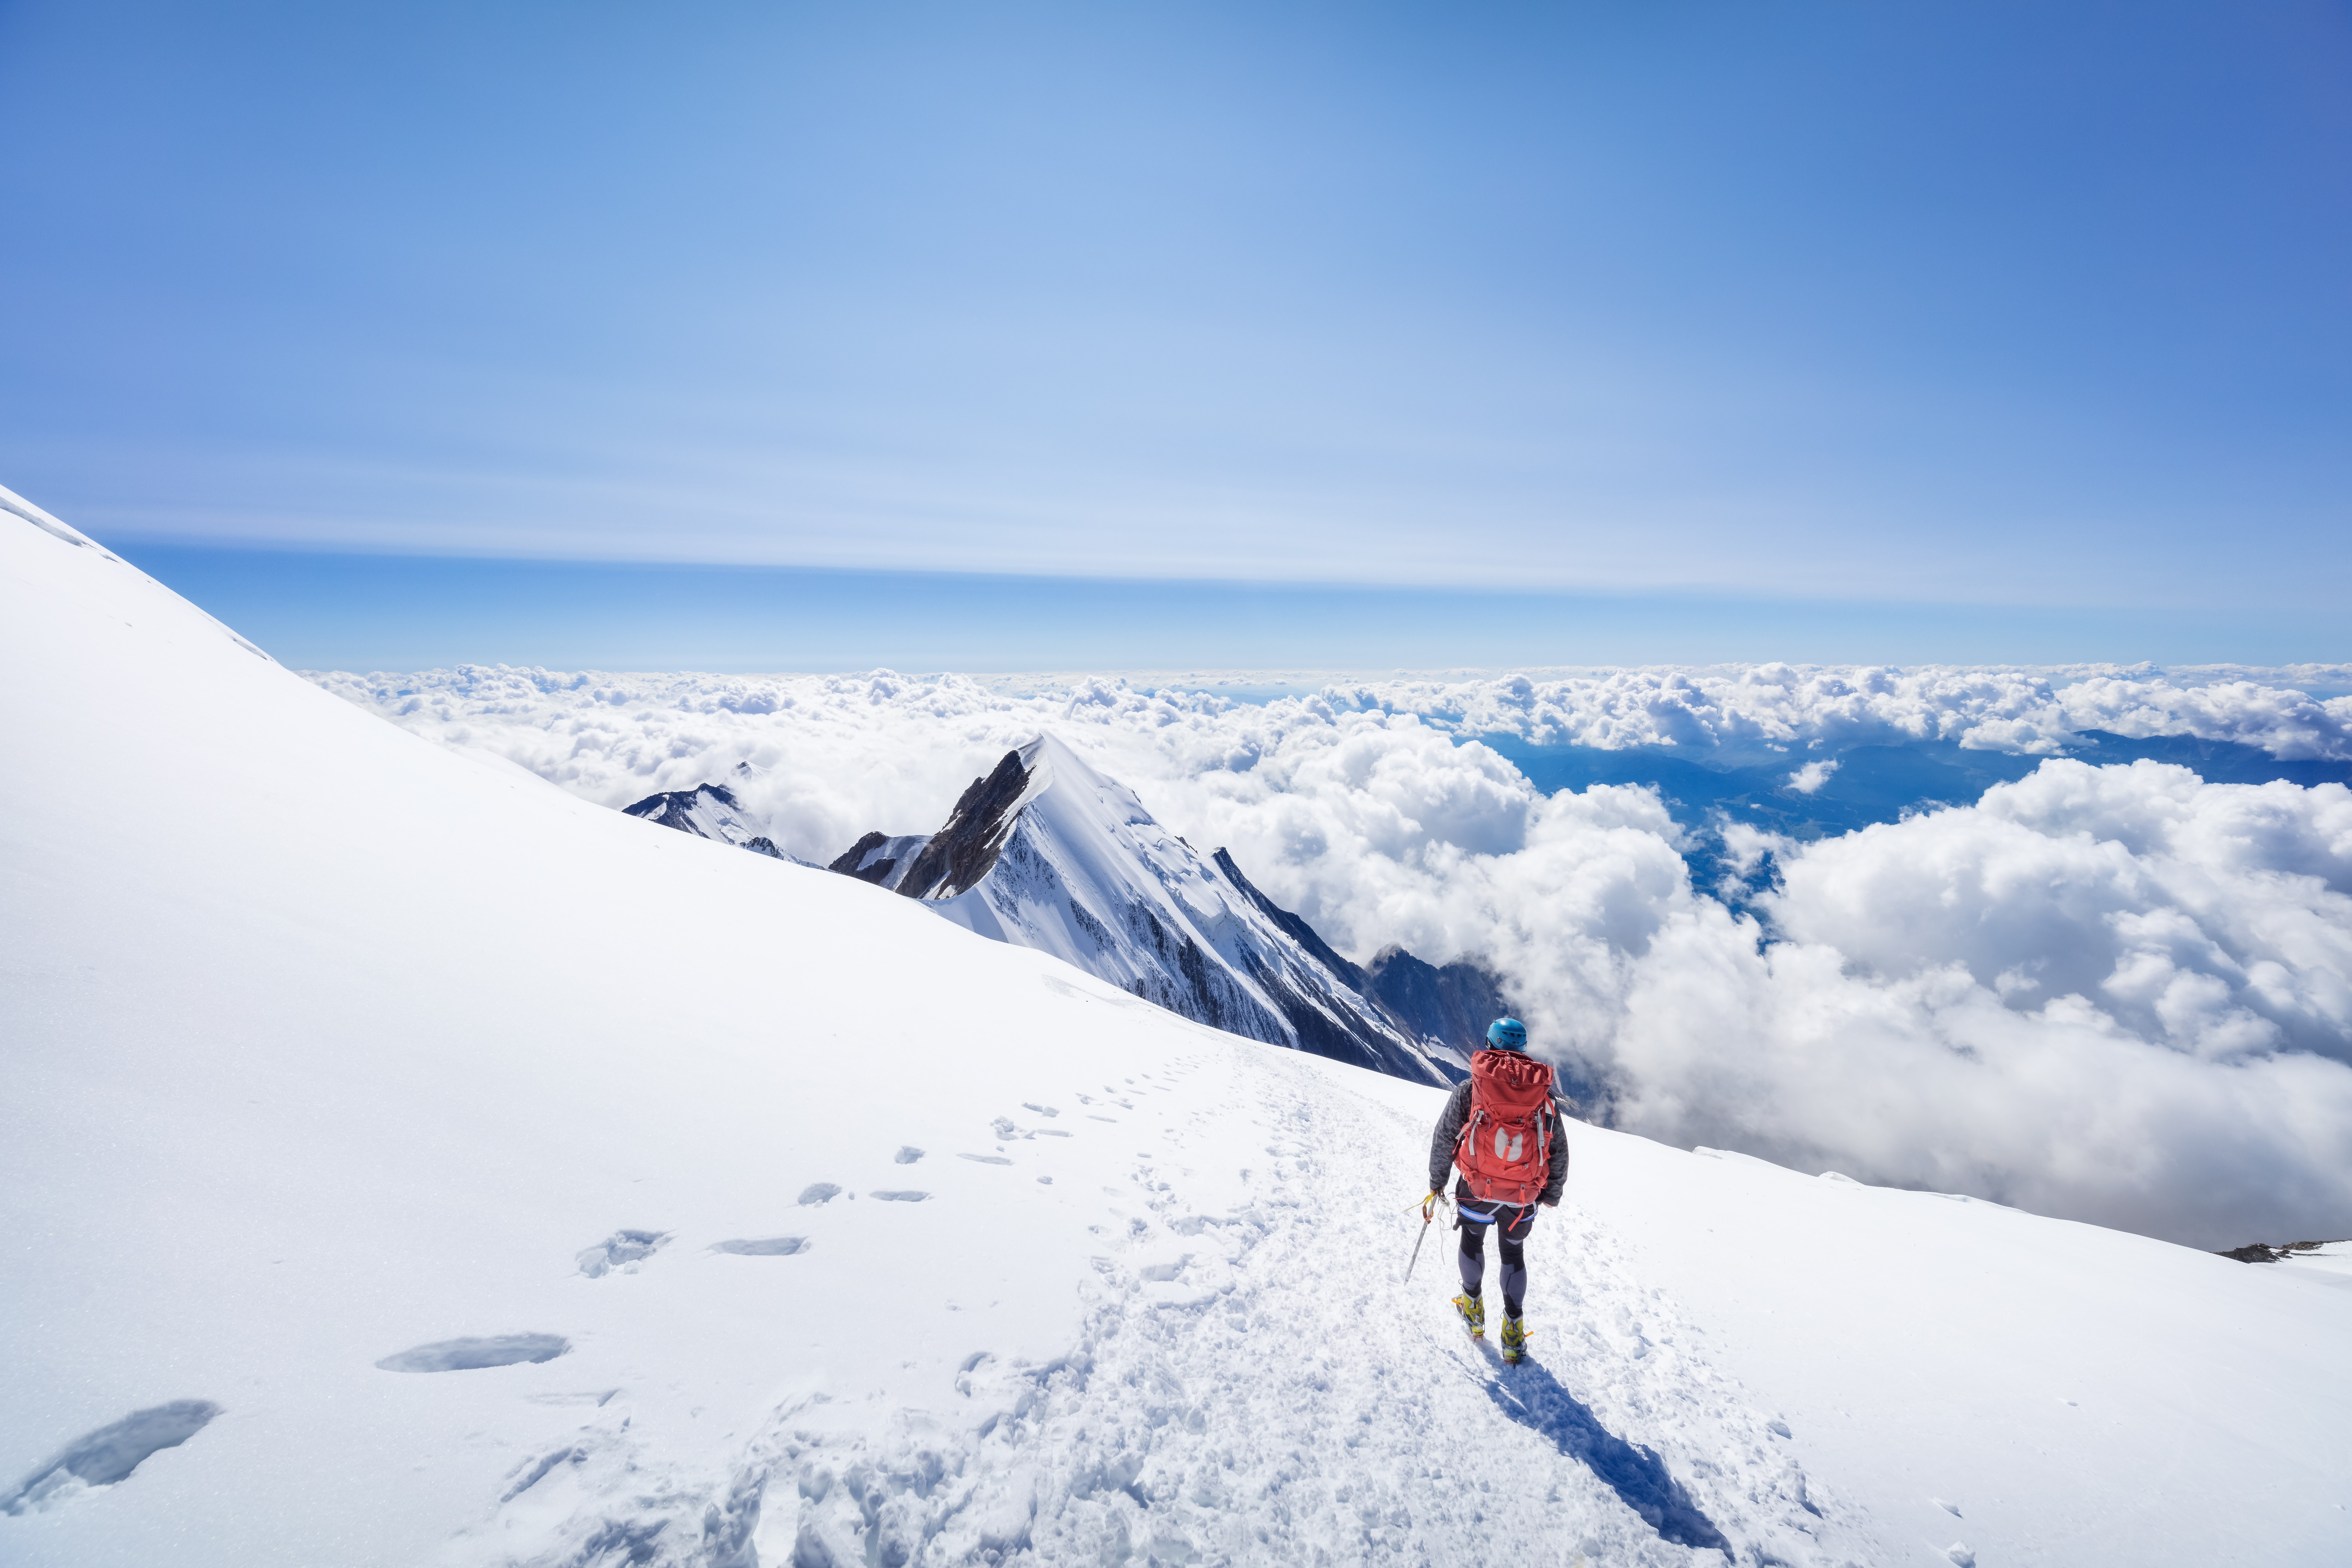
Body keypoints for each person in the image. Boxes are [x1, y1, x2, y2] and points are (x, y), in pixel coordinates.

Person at [1426, 1017, 1569, 1363]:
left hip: (1476, 1188)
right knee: (1513, 1253)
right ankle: (1514, 1333)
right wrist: (1551, 1193)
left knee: (1472, 1241)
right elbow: (1558, 1148)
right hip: (1522, 1198)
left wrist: (1438, 1181)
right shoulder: (1542, 1096)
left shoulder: (1471, 1088)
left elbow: (1445, 1136)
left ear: (1489, 1043)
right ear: (1522, 1049)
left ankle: (1473, 1312)